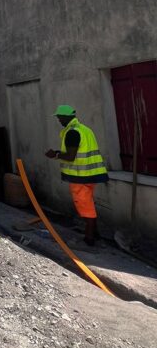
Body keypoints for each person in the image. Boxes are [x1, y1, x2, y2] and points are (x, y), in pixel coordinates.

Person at [44, 104, 108, 246]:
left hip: (80, 176)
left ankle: (89, 239)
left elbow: (71, 156)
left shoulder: (72, 132)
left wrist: (55, 154)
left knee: (85, 206)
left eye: (60, 118)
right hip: (92, 174)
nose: (59, 120)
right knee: (89, 204)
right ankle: (95, 234)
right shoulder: (85, 130)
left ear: (67, 117)